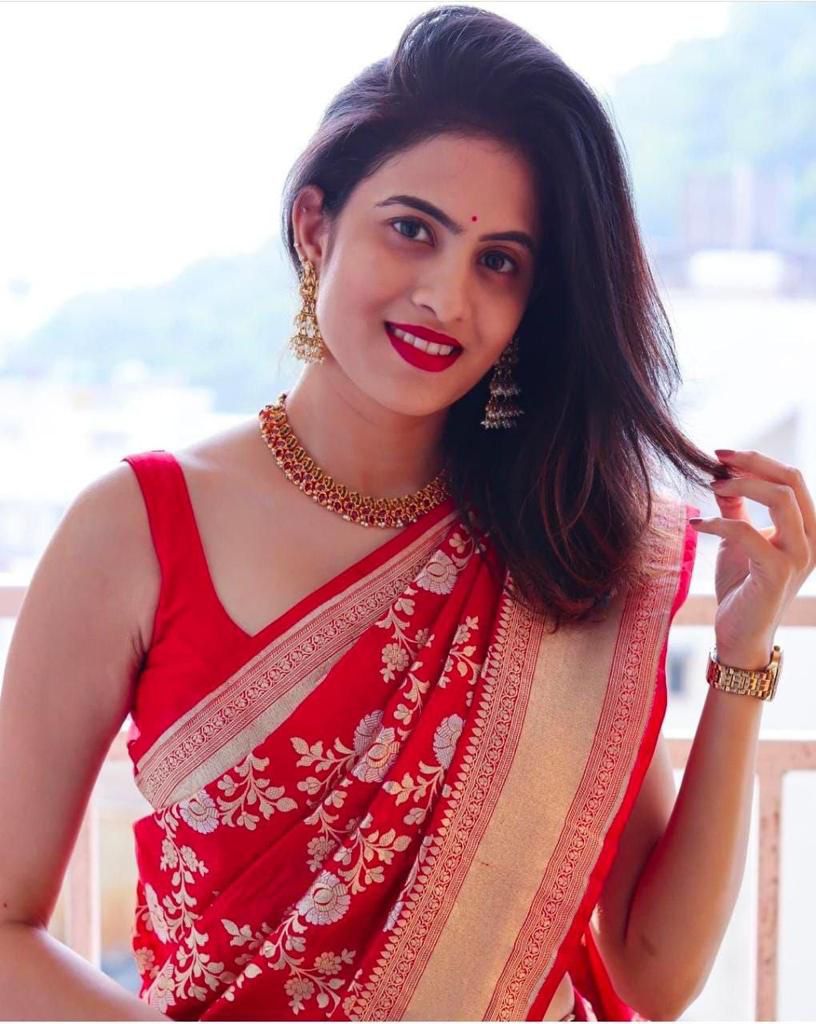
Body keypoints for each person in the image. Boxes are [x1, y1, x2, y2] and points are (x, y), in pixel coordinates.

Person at [1, 4, 813, 1022]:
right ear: (315, 226)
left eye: (499, 261)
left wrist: (741, 661)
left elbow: (656, 970)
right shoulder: (132, 530)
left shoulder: (559, 537)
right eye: (412, 229)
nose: (445, 296)